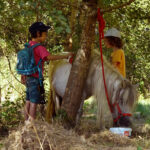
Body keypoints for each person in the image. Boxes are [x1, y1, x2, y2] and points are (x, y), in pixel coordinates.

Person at [23, 22, 73, 121]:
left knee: (28, 101)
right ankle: (31, 123)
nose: (46, 36)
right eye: (45, 33)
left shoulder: (28, 46)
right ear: (38, 33)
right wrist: (65, 56)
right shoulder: (39, 47)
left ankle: (26, 122)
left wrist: (22, 75)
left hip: (28, 77)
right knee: (34, 101)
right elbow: (49, 57)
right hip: (35, 78)